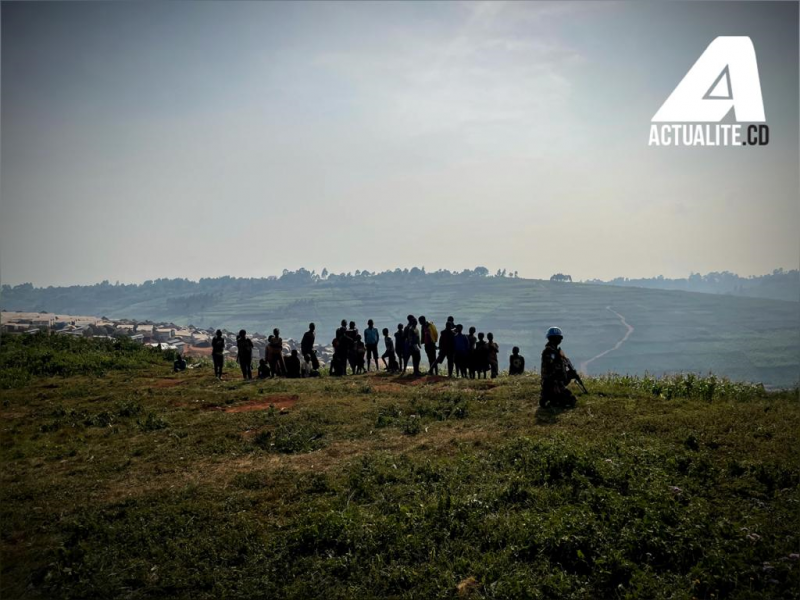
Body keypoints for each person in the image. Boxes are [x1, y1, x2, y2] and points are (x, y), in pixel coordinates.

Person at [540, 327, 577, 408]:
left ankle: (550, 397)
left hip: (555, 383)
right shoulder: (549, 352)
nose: (561, 340)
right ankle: (551, 398)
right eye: (560, 337)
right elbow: (552, 371)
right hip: (552, 384)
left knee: (570, 398)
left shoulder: (556, 352)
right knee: (570, 401)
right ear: (555, 338)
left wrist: (570, 374)